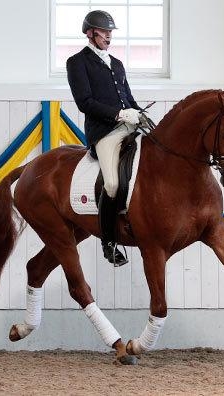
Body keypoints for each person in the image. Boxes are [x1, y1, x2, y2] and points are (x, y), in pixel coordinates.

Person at [66, 10, 142, 267]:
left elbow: (128, 98)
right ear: (90, 33)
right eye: (104, 31)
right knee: (111, 183)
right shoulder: (77, 63)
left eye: (110, 32)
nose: (109, 36)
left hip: (129, 128)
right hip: (105, 133)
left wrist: (138, 114)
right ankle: (109, 242)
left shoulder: (117, 64)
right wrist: (119, 114)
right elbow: (84, 102)